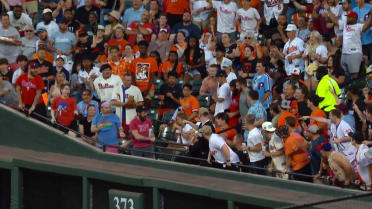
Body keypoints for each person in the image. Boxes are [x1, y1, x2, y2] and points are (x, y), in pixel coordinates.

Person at [327, 8, 372, 78]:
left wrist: (371, 15)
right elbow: (335, 21)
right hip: (345, 53)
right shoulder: (344, 25)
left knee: (354, 75)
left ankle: (355, 87)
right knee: (344, 74)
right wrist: (328, 10)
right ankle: (349, 87)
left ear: (354, 18)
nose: (347, 18)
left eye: (349, 17)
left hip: (355, 52)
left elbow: (367, 26)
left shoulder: (358, 26)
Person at [284, 117, 312, 182]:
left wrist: (286, 168)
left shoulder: (289, 140)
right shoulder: (298, 133)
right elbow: (307, 144)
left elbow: (288, 157)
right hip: (307, 164)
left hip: (299, 168)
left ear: (287, 125)